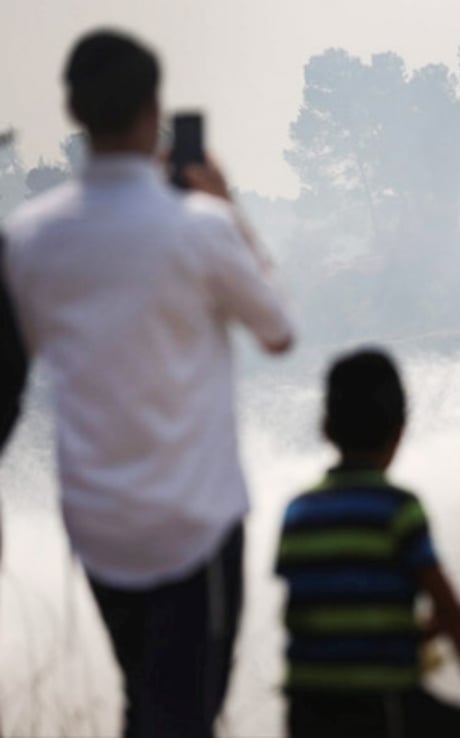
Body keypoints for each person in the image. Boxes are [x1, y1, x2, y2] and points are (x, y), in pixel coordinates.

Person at [0, 29, 293, 736]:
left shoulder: (28, 241)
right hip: (195, 525)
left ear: (73, 110)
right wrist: (229, 209)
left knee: (152, 698)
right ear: (154, 108)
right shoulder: (201, 226)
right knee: (186, 712)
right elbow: (278, 331)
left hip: (99, 532)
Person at [276, 348, 460, 738]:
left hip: (305, 714)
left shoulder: (297, 514)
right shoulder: (398, 510)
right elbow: (452, 613)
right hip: (385, 709)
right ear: (400, 429)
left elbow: (315, 619)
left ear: (326, 429)